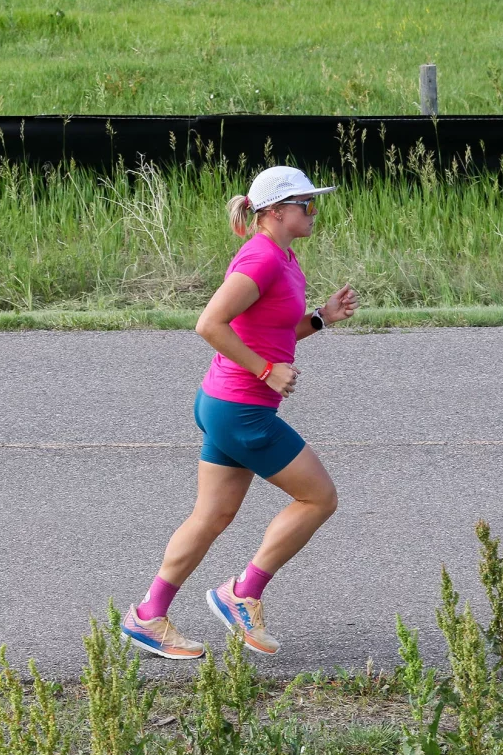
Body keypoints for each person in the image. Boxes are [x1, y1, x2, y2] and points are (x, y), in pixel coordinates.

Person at [119, 165, 361, 658]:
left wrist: (320, 318)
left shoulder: (285, 259)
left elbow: (273, 331)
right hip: (241, 409)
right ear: (275, 211)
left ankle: (148, 616)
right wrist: (265, 370)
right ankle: (242, 593)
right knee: (319, 498)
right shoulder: (261, 259)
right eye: (306, 204)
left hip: (224, 405)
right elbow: (209, 324)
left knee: (211, 515)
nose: (314, 212)